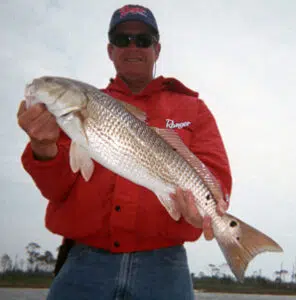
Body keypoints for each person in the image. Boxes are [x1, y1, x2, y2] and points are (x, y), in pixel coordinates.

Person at [17, 4, 232, 300]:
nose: (133, 46)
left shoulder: (193, 109)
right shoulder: (74, 115)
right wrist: (43, 147)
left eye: (143, 40)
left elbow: (216, 178)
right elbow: (56, 189)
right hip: (84, 264)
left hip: (164, 268)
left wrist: (208, 210)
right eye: (122, 39)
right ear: (110, 49)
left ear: (157, 49)